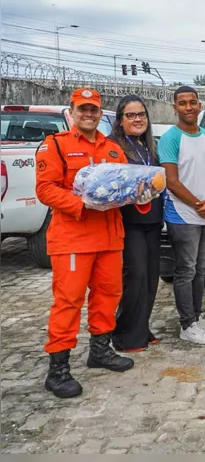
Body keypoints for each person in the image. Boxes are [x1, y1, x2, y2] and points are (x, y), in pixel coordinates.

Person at [36, 88, 135, 398]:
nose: (89, 114)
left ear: (100, 111)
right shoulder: (55, 145)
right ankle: (58, 369)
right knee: (69, 300)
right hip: (73, 237)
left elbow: (124, 186)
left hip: (109, 237)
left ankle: (100, 351)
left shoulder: (113, 149)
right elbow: (45, 189)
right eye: (83, 109)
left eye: (94, 109)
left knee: (108, 294)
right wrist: (82, 205)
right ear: (72, 111)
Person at [158, 86, 205, 345]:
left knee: (201, 270)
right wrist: (200, 205)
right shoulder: (170, 138)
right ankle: (187, 324)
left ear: (199, 106)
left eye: (193, 102)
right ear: (175, 107)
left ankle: (197, 317)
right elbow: (171, 181)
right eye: (182, 103)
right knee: (185, 270)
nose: (188, 107)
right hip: (182, 215)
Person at [108, 95, 164, 352]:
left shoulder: (148, 146)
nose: (138, 119)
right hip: (129, 221)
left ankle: (142, 327)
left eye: (141, 114)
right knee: (135, 276)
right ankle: (125, 334)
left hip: (152, 219)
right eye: (131, 115)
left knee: (151, 277)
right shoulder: (114, 146)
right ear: (121, 120)